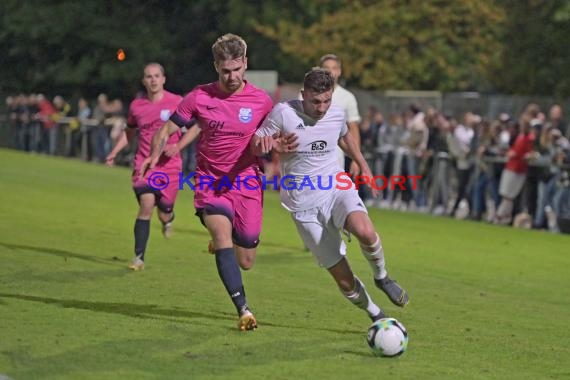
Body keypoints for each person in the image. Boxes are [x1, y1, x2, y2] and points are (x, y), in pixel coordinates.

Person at [252, 68, 409, 324]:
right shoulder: (284, 113)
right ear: (303, 95)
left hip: (335, 187)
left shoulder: (336, 113)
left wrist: (364, 166)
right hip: (303, 204)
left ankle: (382, 276)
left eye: (326, 100)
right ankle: (375, 314)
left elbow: (345, 137)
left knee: (365, 231)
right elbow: (256, 141)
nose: (322, 107)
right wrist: (273, 146)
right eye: (315, 101)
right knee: (344, 279)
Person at [140, 34, 273, 331]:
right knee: (224, 236)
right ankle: (243, 310)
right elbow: (166, 129)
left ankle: (223, 241)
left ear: (245, 64)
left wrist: (273, 147)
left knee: (247, 259)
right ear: (216, 66)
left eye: (237, 70)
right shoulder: (199, 97)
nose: (232, 76)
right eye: (225, 71)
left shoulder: (262, 101)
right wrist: (153, 156)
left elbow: (274, 136)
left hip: (247, 183)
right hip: (209, 183)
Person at [105, 62, 198, 271]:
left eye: (157, 76)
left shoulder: (177, 101)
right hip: (144, 164)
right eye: (148, 76)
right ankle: (139, 258)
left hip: (170, 167)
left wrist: (178, 145)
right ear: (143, 80)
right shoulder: (137, 106)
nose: (153, 80)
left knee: (164, 210)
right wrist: (114, 152)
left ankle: (168, 219)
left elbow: (196, 127)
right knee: (146, 204)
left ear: (164, 79)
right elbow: (129, 132)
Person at [319, 54, 362, 175]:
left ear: (339, 71)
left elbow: (353, 129)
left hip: (335, 157)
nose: (329, 71)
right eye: (326, 68)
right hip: (309, 155)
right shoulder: (305, 94)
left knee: (333, 192)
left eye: (333, 68)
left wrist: (356, 159)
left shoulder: (347, 97)